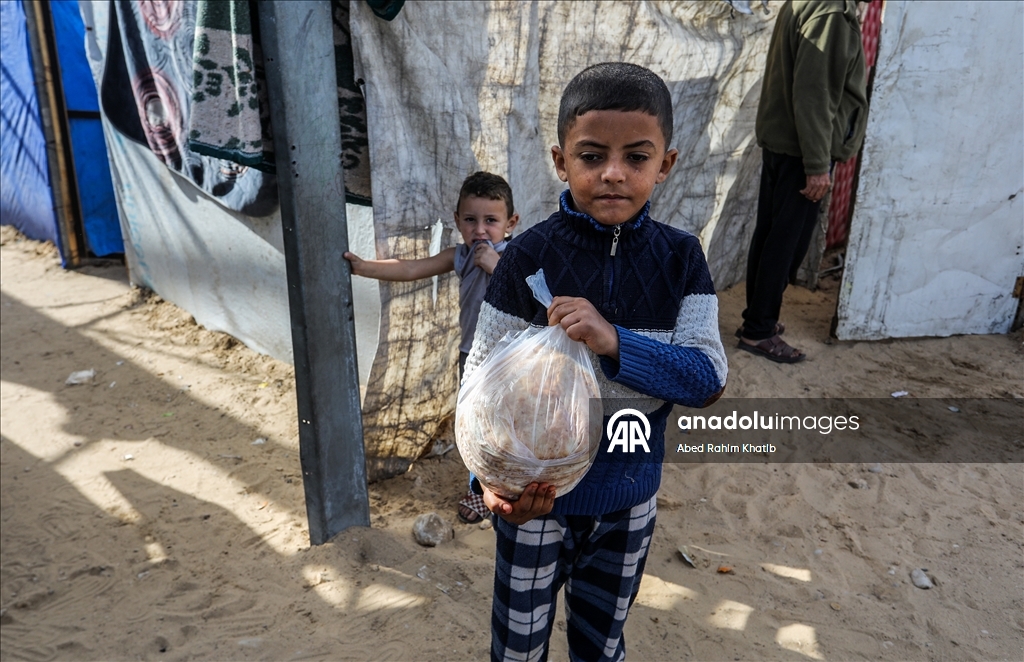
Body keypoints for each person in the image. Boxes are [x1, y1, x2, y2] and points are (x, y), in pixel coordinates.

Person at [462, 62, 728, 662]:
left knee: (601, 644)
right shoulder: (529, 254)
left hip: (628, 497)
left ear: (666, 165)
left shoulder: (681, 259)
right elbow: (479, 381)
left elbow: (706, 378)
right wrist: (488, 484)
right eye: (591, 156)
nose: (613, 173)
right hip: (535, 499)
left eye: (637, 157)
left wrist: (615, 342)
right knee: (517, 645)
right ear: (561, 161)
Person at [344, 171, 519, 524]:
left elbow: (529, 296)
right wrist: (364, 268)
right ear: (457, 221)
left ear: (510, 223)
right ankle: (480, 490)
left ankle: (512, 487)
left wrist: (496, 266)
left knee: (511, 424)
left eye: (491, 221)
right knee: (476, 424)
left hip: (511, 359)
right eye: (470, 220)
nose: (480, 230)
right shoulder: (461, 255)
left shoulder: (515, 256)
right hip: (472, 357)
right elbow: (411, 268)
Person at [739, 0, 869, 362]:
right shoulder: (831, 14)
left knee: (772, 237)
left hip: (786, 142)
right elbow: (815, 94)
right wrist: (816, 164)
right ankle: (758, 331)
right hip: (801, 150)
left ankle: (759, 320)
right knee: (784, 244)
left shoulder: (811, 3)